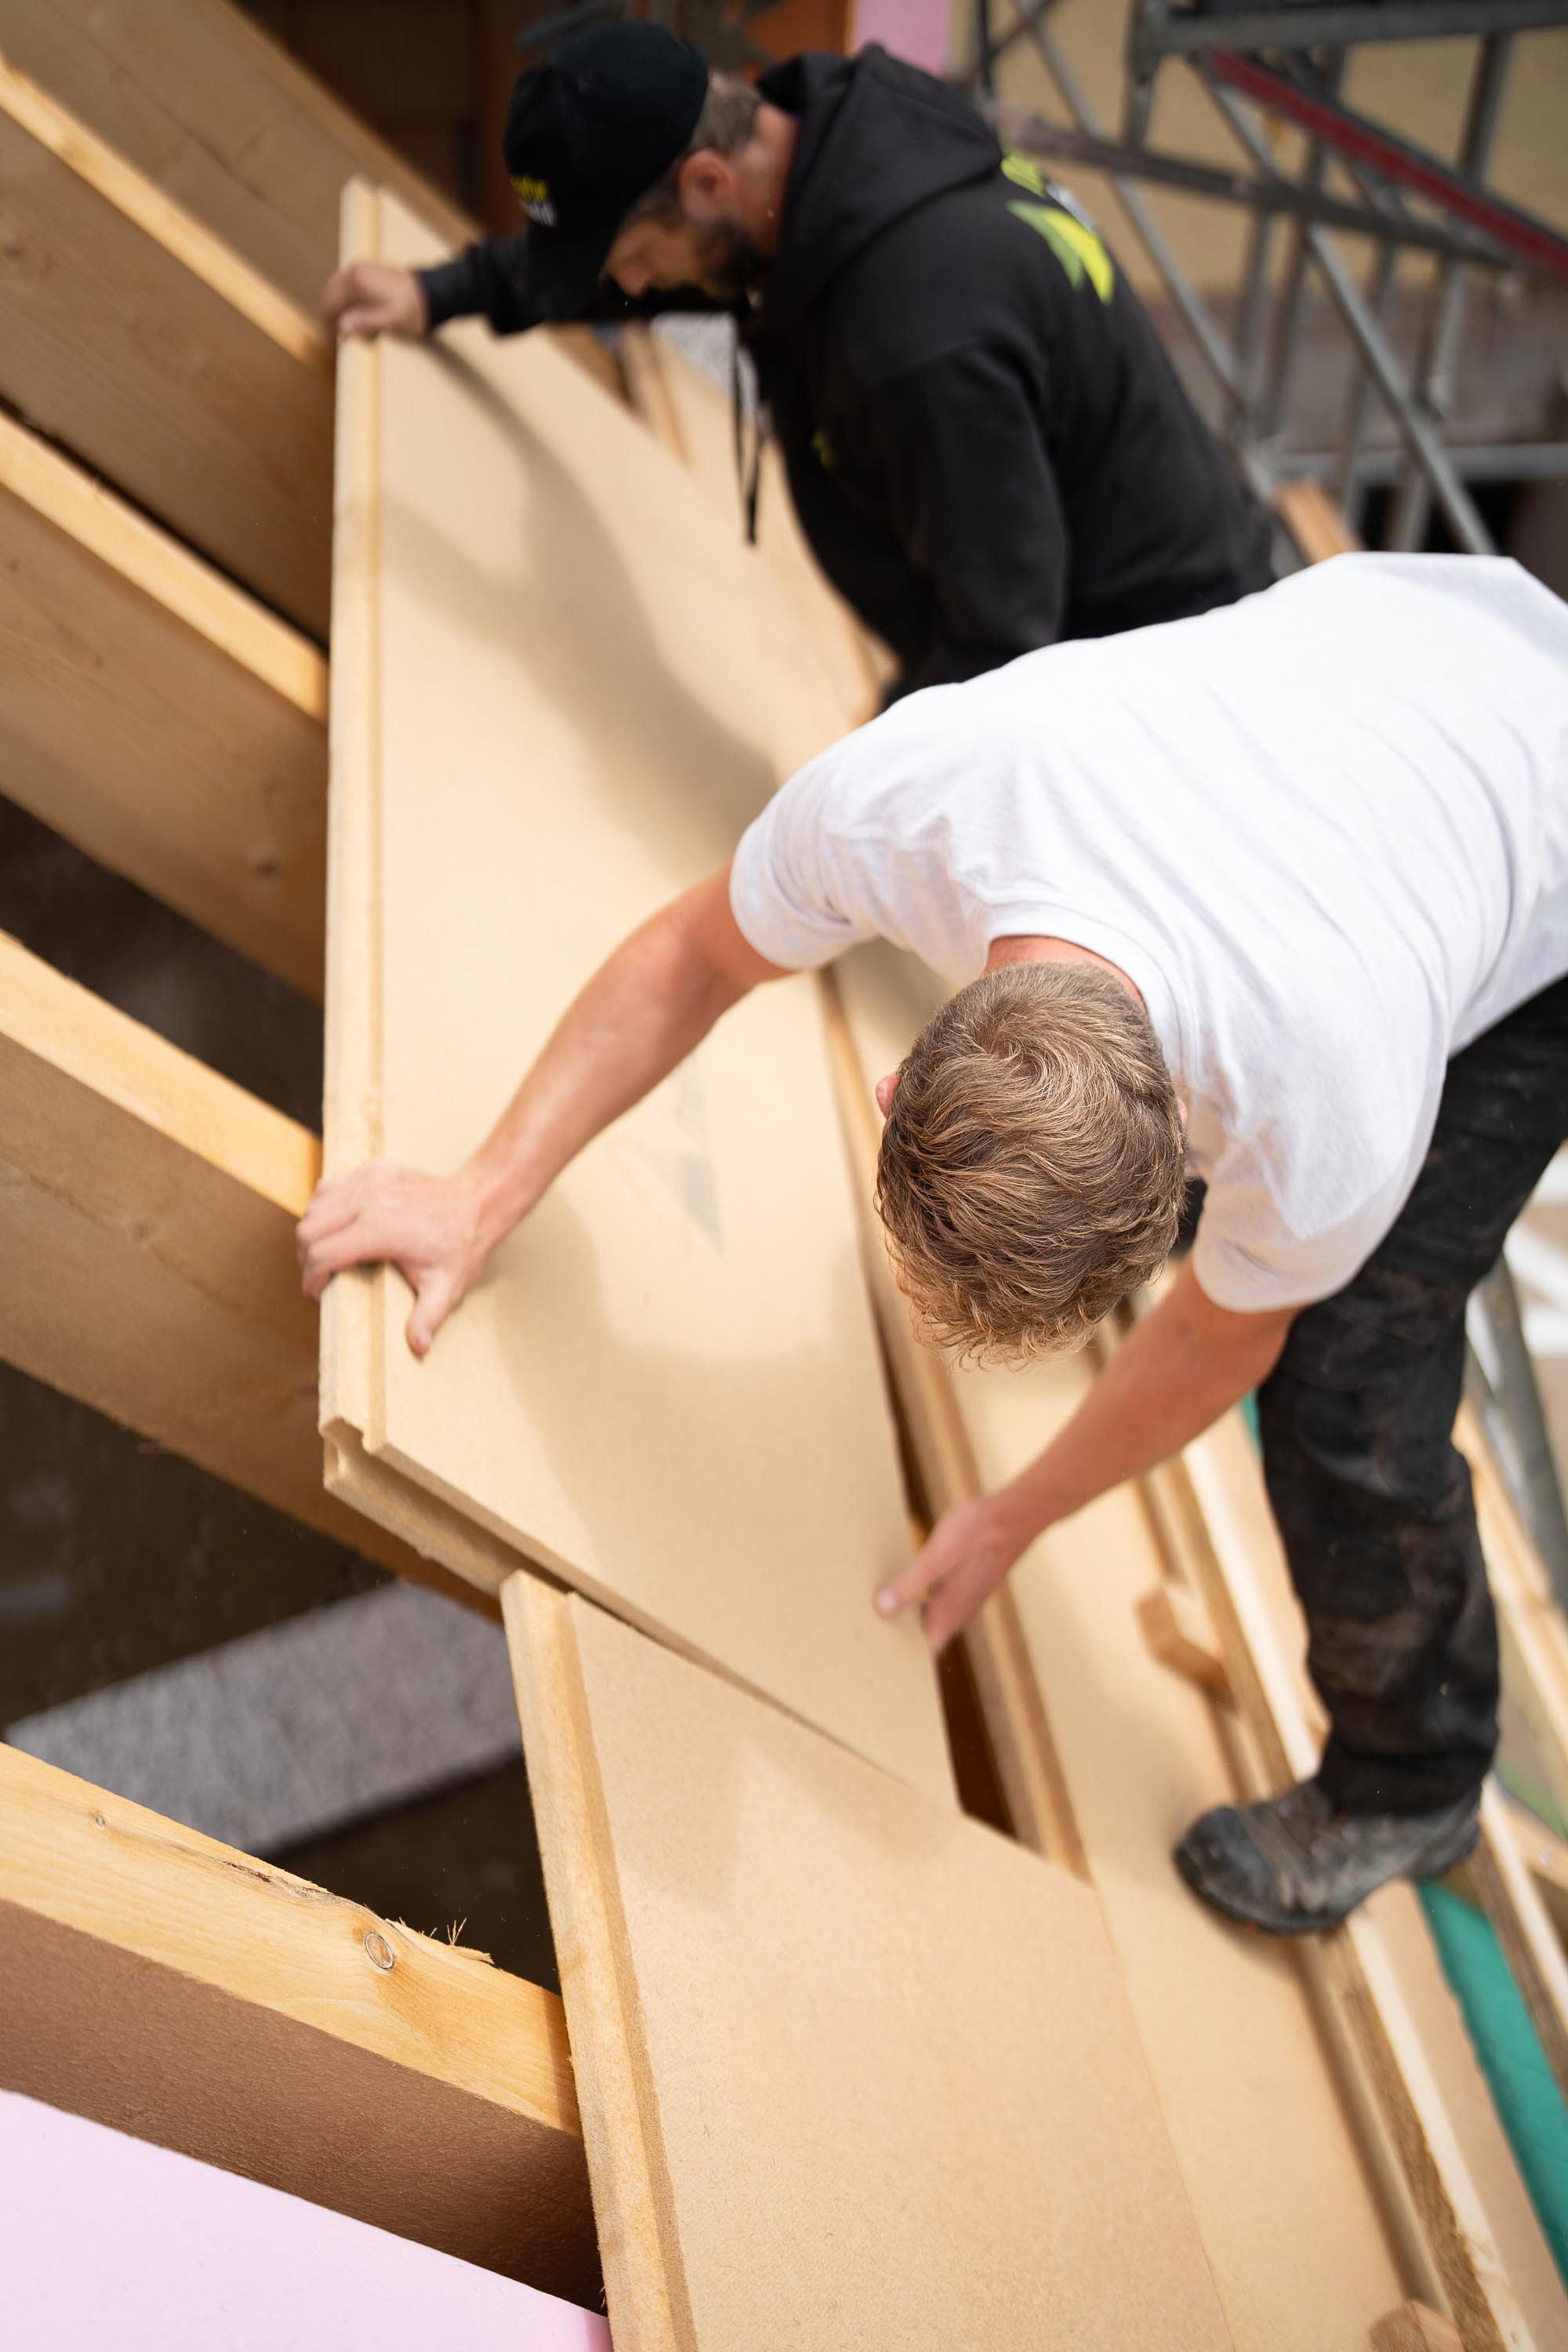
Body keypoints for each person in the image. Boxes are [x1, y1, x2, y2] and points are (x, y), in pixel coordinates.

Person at [299, 550, 1568, 1936]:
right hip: (1414, 657)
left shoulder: (1335, 1096)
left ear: (1176, 1166)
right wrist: (481, 1191)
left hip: (1533, 816)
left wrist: (1013, 1515)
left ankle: (1413, 1777)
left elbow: (1222, 1334)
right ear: (905, 1075)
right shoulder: (923, 797)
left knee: (1350, 1372)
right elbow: (695, 956)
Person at [322, 22, 1272, 699]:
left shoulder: (915, 336)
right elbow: (645, 267)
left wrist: (863, 770)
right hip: (1093, 588)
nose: (640, 291)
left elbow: (1002, 647)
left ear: (706, 183)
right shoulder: (827, 154)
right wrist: (441, 291)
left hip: (1164, 665)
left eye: (634, 259)